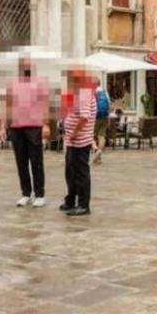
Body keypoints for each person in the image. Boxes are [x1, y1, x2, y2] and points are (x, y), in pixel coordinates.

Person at [1, 57, 50, 208]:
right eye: (23, 65)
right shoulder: (12, 85)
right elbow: (7, 106)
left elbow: (46, 105)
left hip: (34, 126)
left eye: (28, 65)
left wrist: (46, 125)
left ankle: (40, 194)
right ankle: (26, 193)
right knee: (21, 162)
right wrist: (2, 126)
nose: (26, 67)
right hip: (16, 127)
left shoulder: (40, 83)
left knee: (36, 161)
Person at [61, 70, 97, 216]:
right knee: (70, 172)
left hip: (80, 141)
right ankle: (70, 200)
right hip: (73, 141)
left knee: (81, 173)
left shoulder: (84, 94)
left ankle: (83, 204)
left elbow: (84, 117)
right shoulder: (77, 95)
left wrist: (74, 133)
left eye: (69, 81)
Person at [92, 78, 111, 164]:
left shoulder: (93, 92)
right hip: (105, 117)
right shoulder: (105, 92)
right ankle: (99, 154)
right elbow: (109, 105)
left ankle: (96, 150)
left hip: (95, 117)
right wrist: (108, 116)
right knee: (102, 136)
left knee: (91, 136)